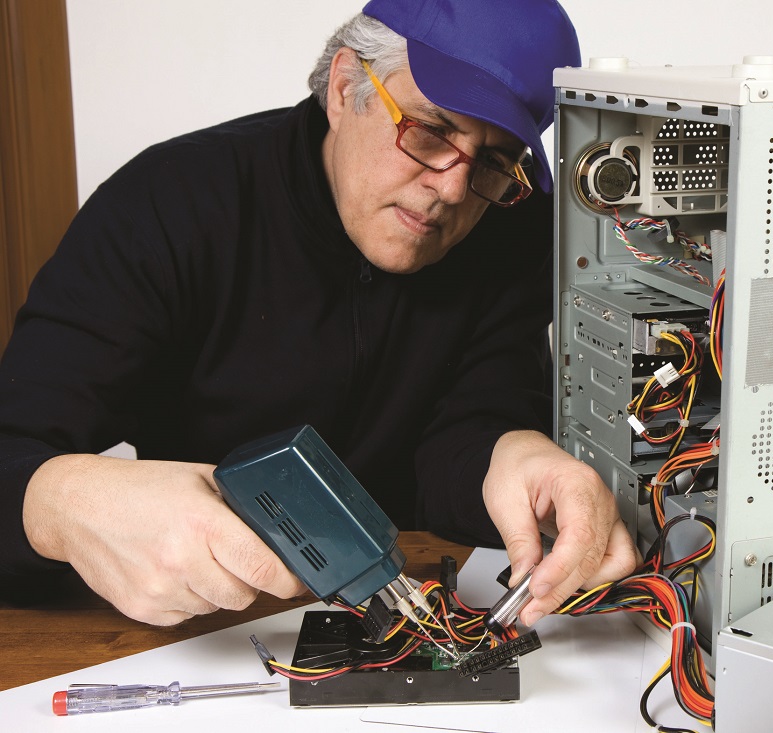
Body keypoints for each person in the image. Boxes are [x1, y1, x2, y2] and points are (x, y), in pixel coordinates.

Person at [0, 0, 637, 627]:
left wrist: (517, 454)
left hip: (417, 610)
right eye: (430, 130)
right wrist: (56, 502)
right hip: (212, 621)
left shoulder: (509, 224)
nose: (449, 189)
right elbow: (14, 447)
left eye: (494, 160)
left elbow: (471, 427)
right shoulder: (168, 206)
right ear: (342, 88)